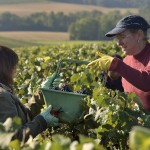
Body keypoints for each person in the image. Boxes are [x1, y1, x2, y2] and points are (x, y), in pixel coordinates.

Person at [87, 15, 150, 111]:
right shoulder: (126, 60)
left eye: (122, 37)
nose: (119, 43)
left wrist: (117, 65)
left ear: (139, 35)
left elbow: (147, 82)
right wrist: (113, 80)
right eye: (117, 38)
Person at [0, 45, 59, 143]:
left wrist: (41, 92)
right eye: (13, 67)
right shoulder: (3, 96)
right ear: (5, 68)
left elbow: (23, 116)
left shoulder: (4, 91)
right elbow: (14, 138)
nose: (16, 71)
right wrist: (42, 120)